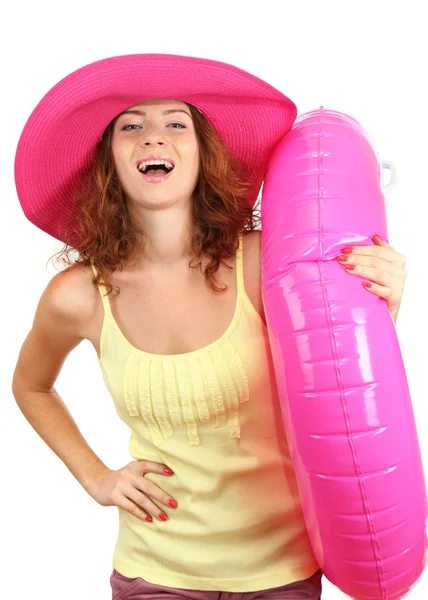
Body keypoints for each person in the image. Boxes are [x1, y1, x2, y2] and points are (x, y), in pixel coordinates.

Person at [13, 53, 344, 600]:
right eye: (131, 127)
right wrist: (96, 477)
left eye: (175, 123)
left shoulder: (264, 263)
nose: (153, 138)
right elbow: (30, 385)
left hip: (283, 570)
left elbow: (343, 361)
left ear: (201, 153)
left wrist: (386, 294)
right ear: (109, 160)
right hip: (154, 573)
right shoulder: (78, 295)